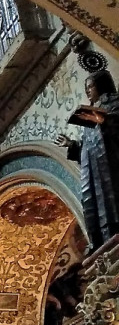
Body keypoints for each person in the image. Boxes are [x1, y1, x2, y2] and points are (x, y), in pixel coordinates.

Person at [55, 70, 119, 250]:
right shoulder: (90, 113)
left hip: (109, 166)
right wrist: (73, 145)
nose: (88, 91)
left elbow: (114, 125)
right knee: (91, 203)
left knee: (110, 200)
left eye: (90, 86)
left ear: (101, 85)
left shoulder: (113, 104)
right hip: (92, 168)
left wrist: (100, 118)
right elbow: (88, 146)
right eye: (86, 88)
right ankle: (100, 241)